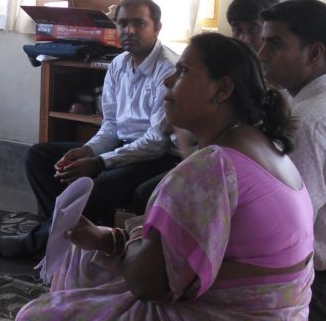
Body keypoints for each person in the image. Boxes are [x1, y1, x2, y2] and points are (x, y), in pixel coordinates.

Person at [16, 32, 314, 320]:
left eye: (183, 71)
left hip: (226, 311)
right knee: (83, 256)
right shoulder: (264, 146)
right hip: (271, 306)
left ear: (222, 90)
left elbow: (148, 286)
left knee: (36, 316)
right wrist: (111, 239)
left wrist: (134, 232)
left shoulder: (211, 169)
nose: (168, 80)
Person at [0, 0, 179, 258]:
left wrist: (100, 162)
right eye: (123, 24)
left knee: (98, 185)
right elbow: (111, 126)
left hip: (157, 157)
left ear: (157, 28)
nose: (129, 31)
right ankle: (70, 238)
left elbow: (156, 142)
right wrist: (88, 150)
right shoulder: (118, 64)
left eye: (139, 24)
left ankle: (40, 244)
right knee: (39, 157)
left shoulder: (168, 69)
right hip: (122, 147)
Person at [259, 0, 326, 321]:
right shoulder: (297, 100)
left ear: (314, 53)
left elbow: (293, 225)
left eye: (275, 44)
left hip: (314, 281)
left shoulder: (308, 119)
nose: (262, 54)